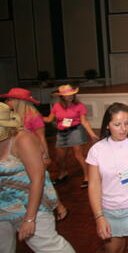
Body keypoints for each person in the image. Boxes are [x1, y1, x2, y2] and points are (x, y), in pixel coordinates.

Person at [0, 102, 75, 253]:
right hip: (3, 207)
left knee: (50, 248)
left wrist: (29, 218)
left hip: (30, 205)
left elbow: (39, 178)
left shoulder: (22, 139)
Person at [86, 103, 128, 253]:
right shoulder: (97, 150)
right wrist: (99, 217)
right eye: (117, 124)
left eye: (127, 123)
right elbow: (94, 185)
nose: (123, 129)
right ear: (107, 126)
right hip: (109, 211)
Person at [1, 88, 69, 222]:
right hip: (19, 155)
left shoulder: (34, 116)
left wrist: (45, 156)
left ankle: (59, 207)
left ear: (18, 101)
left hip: (34, 154)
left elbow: (41, 138)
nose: (7, 101)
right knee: (36, 183)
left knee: (43, 182)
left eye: (10, 99)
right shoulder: (11, 116)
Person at [43, 85, 98, 188]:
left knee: (78, 155)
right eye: (67, 95)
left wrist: (92, 135)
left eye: (72, 94)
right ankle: (63, 173)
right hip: (61, 133)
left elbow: (84, 121)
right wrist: (36, 117)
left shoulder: (79, 106)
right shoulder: (57, 106)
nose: (70, 96)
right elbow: (49, 119)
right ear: (62, 97)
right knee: (60, 158)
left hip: (75, 130)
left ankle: (87, 177)